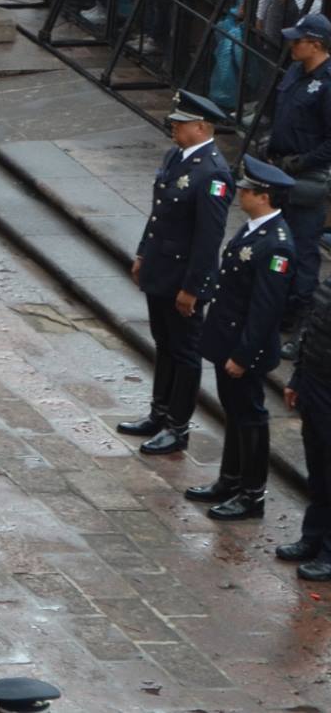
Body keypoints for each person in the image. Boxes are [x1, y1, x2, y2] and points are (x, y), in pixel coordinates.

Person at [117, 91, 233, 456]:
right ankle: (159, 412)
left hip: (184, 276)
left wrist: (193, 287)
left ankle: (177, 426)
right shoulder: (176, 157)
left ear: (201, 127)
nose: (173, 127)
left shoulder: (213, 173)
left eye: (180, 123)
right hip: (160, 267)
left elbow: (208, 237)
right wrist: (141, 253)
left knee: (184, 352)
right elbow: (159, 215)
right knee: (164, 344)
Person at [187, 155, 294, 522]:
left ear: (264, 196)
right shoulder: (253, 229)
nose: (242, 194)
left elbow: (266, 308)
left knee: (250, 418)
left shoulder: (276, 245)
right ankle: (230, 479)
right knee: (233, 413)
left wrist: (245, 355)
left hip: (245, 348)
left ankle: (251, 493)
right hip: (228, 339)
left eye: (248, 190)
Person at [267, 11, 331, 348]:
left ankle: (301, 322)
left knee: (303, 250)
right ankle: (277, 309)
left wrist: (303, 161)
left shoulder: (328, 83)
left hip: (306, 177)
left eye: (299, 40)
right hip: (281, 171)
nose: (292, 45)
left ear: (316, 44)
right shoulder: (295, 71)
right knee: (278, 244)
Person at [284, 247, 331, 578]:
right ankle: (311, 538)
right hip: (314, 383)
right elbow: (309, 331)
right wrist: (297, 378)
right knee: (317, 468)